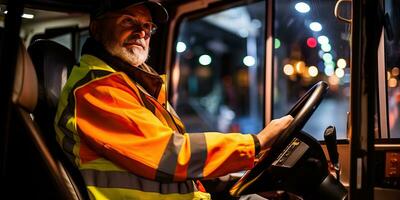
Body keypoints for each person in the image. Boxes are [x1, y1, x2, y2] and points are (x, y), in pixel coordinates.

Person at [54, 0, 294, 199]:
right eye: (128, 21)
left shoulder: (133, 84)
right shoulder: (98, 89)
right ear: (96, 28)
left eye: (147, 26)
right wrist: (256, 143)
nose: (142, 32)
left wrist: (239, 174)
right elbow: (170, 154)